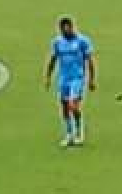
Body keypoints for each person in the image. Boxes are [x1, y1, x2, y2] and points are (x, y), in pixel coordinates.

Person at [45, 17, 96, 147]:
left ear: (72, 27)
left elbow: (90, 60)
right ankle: (69, 134)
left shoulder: (82, 41)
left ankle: (79, 132)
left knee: (73, 105)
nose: (65, 31)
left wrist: (91, 79)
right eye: (62, 29)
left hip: (77, 78)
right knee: (64, 106)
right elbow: (53, 59)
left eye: (67, 28)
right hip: (63, 79)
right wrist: (48, 77)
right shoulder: (57, 42)